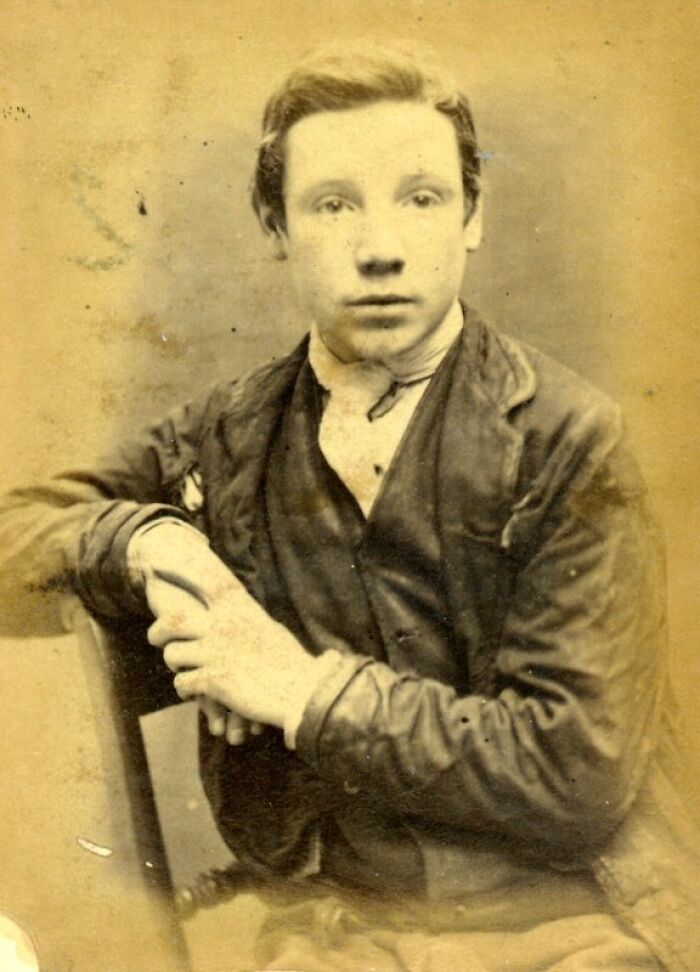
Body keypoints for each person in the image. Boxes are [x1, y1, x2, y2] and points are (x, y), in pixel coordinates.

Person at [0, 42, 698, 972]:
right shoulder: (231, 434)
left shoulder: (567, 439)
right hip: (334, 929)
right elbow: (14, 530)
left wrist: (297, 689)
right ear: (275, 224)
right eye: (334, 205)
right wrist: (151, 539)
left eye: (421, 198)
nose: (380, 248)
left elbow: (574, 771)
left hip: (575, 920)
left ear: (474, 216)